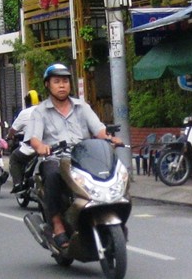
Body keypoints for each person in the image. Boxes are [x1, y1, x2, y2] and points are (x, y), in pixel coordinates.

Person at [25, 63, 121, 249]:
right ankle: (57, 225)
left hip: (83, 157)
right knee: (52, 174)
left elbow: (99, 130)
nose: (62, 85)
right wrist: (41, 146)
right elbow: (34, 138)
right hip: (55, 158)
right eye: (57, 81)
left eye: (65, 81)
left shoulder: (82, 107)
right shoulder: (40, 111)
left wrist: (110, 139)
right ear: (47, 85)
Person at [8, 90, 40, 193]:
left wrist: (9, 137)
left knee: (14, 157)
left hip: (32, 148)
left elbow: (13, 130)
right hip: (49, 146)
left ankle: (18, 184)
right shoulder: (47, 110)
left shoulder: (25, 113)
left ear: (27, 101)